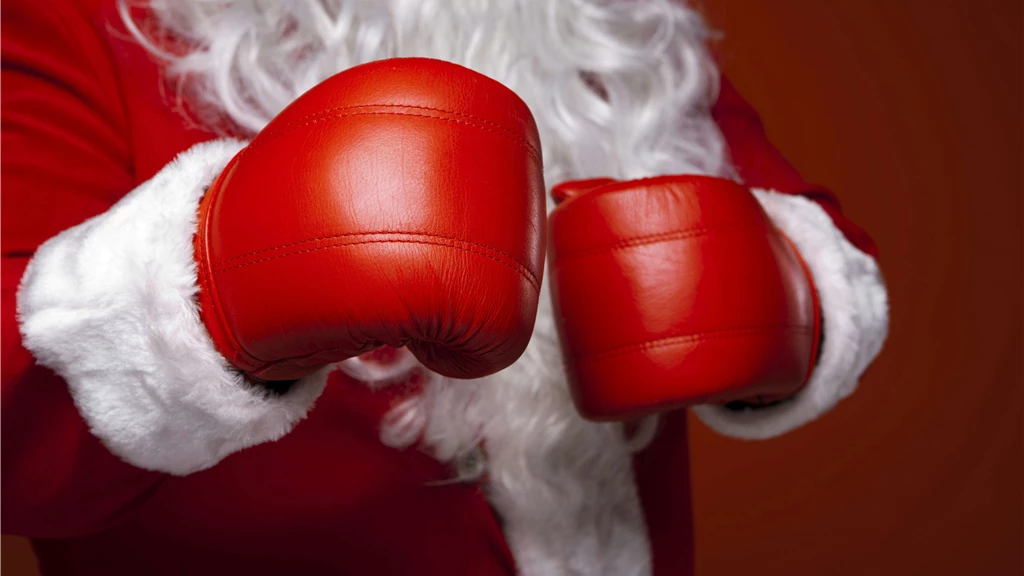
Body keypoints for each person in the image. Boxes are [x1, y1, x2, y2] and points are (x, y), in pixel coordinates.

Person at [0, 0, 888, 574]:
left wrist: (785, 296)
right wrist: (213, 291)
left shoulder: (619, 24)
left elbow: (817, 242)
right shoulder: (70, 20)